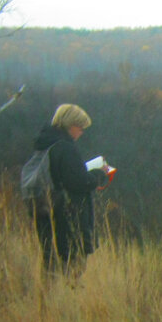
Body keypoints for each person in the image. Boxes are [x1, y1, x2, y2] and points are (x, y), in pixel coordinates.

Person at [29, 103, 107, 272]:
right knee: (73, 267)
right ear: (70, 125)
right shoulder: (65, 148)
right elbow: (78, 182)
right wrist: (99, 175)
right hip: (69, 216)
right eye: (80, 127)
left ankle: (50, 296)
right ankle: (68, 297)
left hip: (47, 213)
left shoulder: (45, 145)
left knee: (52, 265)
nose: (81, 132)